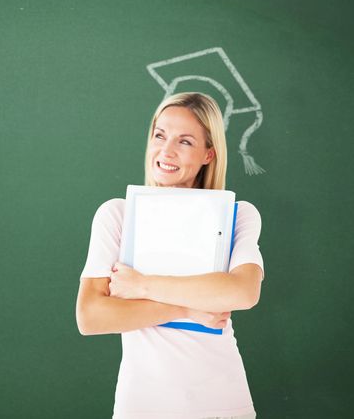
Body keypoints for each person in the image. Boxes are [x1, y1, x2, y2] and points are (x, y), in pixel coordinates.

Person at [76, 92, 264, 419]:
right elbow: (91, 316)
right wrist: (188, 308)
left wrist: (142, 285)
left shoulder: (237, 215)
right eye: (160, 135)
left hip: (220, 402)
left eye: (185, 141)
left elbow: (242, 292)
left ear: (209, 154)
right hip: (142, 403)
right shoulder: (117, 216)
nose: (166, 150)